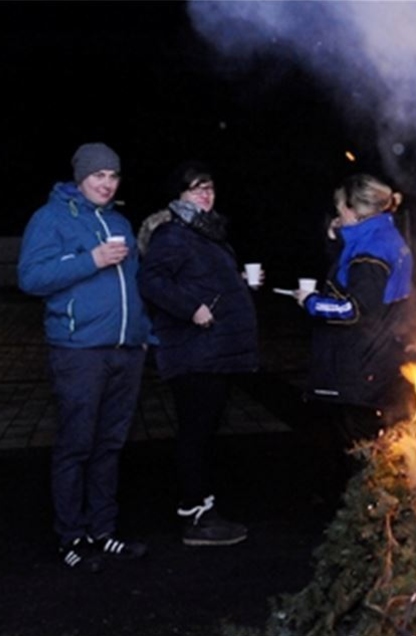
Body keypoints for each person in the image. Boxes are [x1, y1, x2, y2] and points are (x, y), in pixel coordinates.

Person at [17, 142, 150, 572]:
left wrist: (143, 335)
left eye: (113, 177)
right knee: (77, 445)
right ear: (80, 178)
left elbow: (134, 286)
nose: (107, 184)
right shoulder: (50, 218)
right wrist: (89, 259)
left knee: (111, 445)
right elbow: (31, 277)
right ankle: (70, 536)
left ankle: (103, 531)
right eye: (99, 176)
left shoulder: (119, 221)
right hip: (78, 352)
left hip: (125, 352)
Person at [137, 161, 259, 547]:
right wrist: (191, 307)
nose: (205, 195)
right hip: (193, 353)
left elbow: (202, 280)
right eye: (195, 189)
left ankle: (203, 507)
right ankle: (195, 516)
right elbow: (151, 280)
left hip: (213, 351)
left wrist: (236, 283)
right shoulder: (174, 234)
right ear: (179, 196)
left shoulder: (207, 234)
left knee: (204, 433)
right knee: (196, 434)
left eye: (209, 188)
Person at [295, 173, 415, 448]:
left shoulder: (370, 254)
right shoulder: (386, 235)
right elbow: (352, 278)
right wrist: (336, 237)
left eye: (339, 209)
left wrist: (311, 301)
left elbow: (354, 309)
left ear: (352, 210)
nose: (337, 215)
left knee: (357, 452)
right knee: (372, 448)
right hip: (378, 359)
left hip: (359, 368)